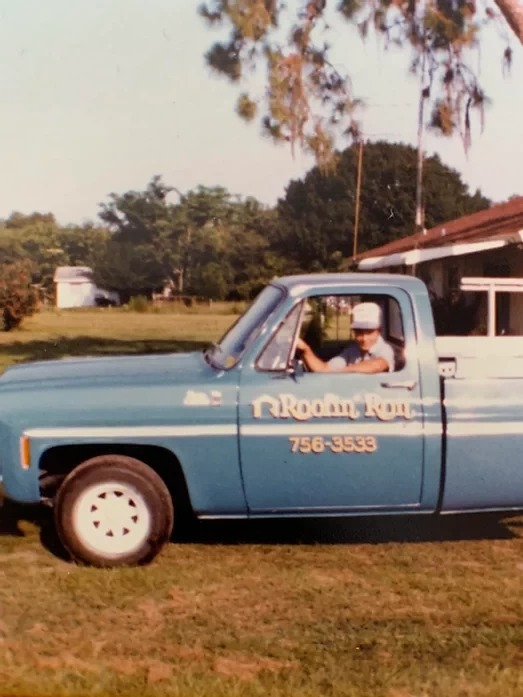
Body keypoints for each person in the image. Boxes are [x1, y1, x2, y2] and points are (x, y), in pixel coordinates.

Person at [296, 302, 394, 373]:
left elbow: (377, 365)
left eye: (369, 332)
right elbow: (324, 369)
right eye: (359, 332)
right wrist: (306, 350)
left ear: (379, 331)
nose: (364, 338)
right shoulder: (353, 350)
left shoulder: (385, 349)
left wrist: (342, 372)